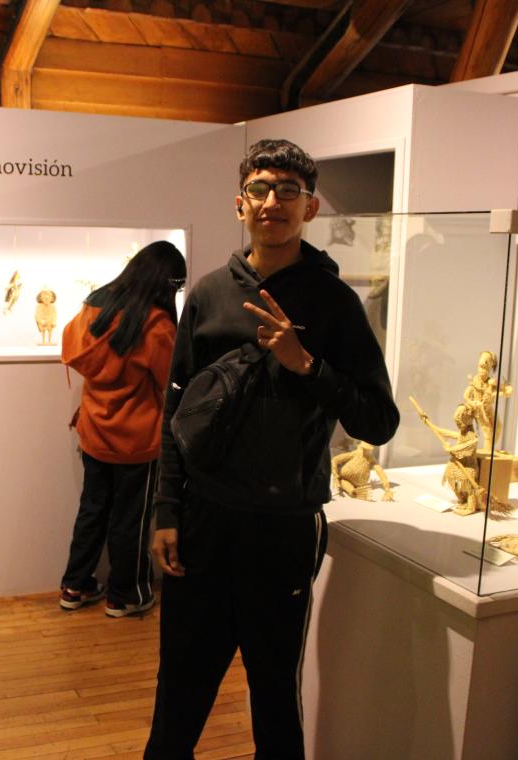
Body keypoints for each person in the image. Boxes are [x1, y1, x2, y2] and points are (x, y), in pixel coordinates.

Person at [145, 139, 399, 759]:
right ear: (240, 203)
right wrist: (167, 512)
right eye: (260, 188)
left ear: (310, 208)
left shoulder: (335, 303)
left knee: (274, 697)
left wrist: (306, 364)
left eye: (289, 190)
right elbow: (177, 413)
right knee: (179, 689)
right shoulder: (206, 294)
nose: (272, 201)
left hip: (283, 529)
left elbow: (379, 421)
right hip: (204, 521)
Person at [59, 241, 186, 617]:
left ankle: (75, 585)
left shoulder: (94, 304)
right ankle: (125, 594)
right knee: (130, 518)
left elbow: (71, 345)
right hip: (137, 439)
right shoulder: (155, 323)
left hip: (94, 430)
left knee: (92, 510)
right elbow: (171, 379)